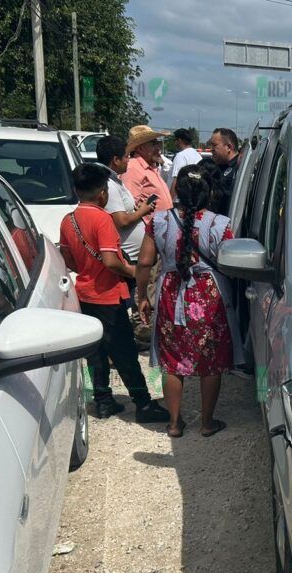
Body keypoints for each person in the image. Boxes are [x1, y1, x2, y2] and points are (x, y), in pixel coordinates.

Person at [60, 163, 169, 423]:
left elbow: (68, 257)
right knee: (125, 353)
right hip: (109, 294)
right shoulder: (102, 219)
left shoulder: (69, 220)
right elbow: (110, 260)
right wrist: (133, 272)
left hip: (84, 293)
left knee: (95, 354)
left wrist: (87, 269)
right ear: (102, 194)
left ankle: (103, 402)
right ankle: (143, 403)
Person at [136, 167, 238, 438]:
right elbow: (232, 263)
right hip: (209, 296)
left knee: (172, 362)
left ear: (177, 191)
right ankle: (207, 422)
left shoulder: (157, 221)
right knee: (211, 361)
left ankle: (174, 423)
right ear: (210, 192)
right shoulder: (221, 223)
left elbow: (145, 261)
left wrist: (142, 296)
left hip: (172, 294)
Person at [96, 135, 154, 263]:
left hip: (133, 257)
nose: (129, 160)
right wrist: (142, 211)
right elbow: (121, 221)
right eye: (127, 156)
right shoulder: (108, 185)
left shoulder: (115, 180)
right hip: (127, 259)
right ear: (116, 160)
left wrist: (137, 211)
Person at [122, 125, 173, 219]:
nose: (158, 148)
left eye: (157, 143)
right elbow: (129, 207)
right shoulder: (132, 168)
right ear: (140, 148)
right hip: (147, 230)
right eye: (154, 144)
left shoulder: (150, 166)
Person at [208, 128, 240, 212]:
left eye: (214, 145)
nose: (211, 149)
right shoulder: (213, 167)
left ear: (228, 147)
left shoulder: (239, 168)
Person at [169, 128, 203, 195]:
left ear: (179, 140)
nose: (175, 143)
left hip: (179, 200)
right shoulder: (198, 155)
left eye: (175, 140)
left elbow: (176, 180)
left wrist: (170, 201)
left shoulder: (180, 156)